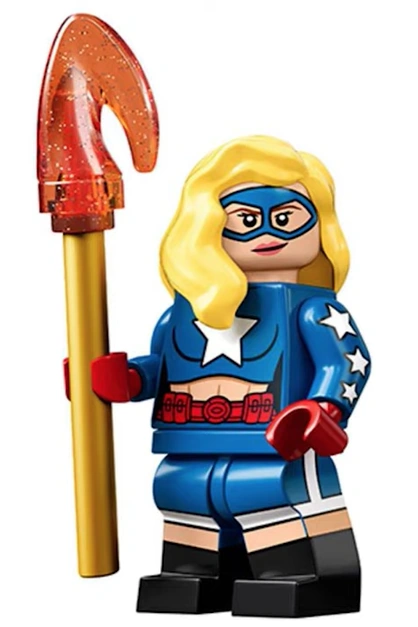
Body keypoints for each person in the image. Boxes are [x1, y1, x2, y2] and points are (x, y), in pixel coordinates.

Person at [90, 135, 371, 617]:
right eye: (245, 220)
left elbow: (343, 362)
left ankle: (296, 575)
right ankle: (192, 574)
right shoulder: (184, 314)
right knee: (183, 493)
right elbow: (163, 367)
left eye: (287, 218)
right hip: (191, 439)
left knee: (270, 493)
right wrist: (126, 379)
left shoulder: (312, 310)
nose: (268, 233)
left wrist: (322, 408)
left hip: (276, 440)